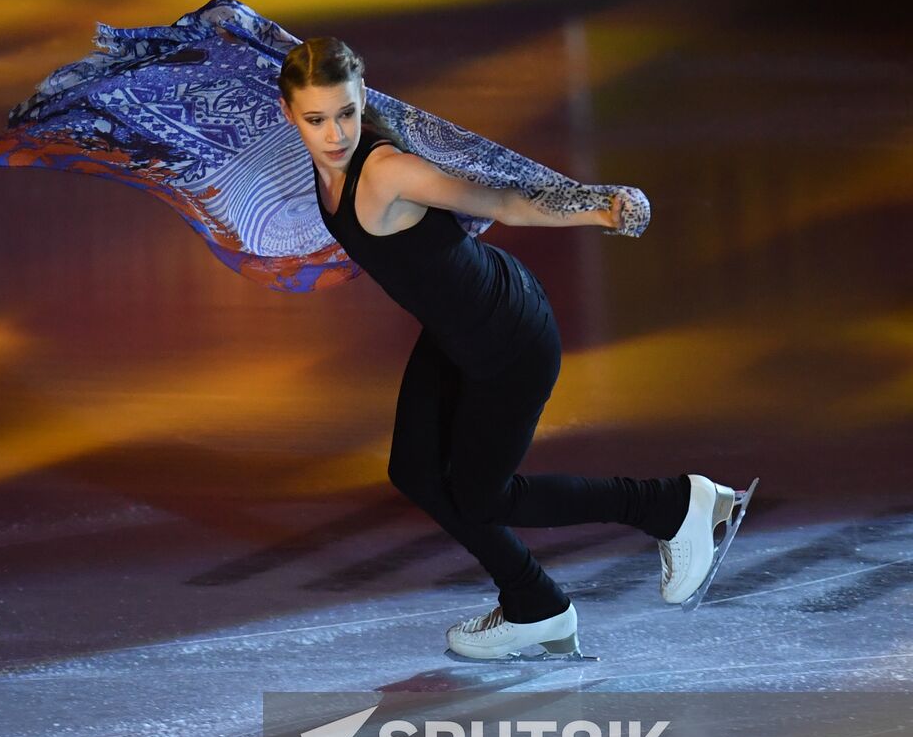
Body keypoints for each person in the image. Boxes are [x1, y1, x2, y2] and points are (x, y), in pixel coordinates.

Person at [278, 37, 748, 660]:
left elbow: (501, 200)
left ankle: (674, 505)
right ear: (288, 115)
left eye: (346, 113)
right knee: (415, 471)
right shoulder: (319, 158)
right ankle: (536, 605)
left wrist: (598, 208)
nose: (335, 133)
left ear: (363, 101)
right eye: (316, 119)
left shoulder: (386, 171)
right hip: (456, 332)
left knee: (484, 496)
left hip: (510, 340)